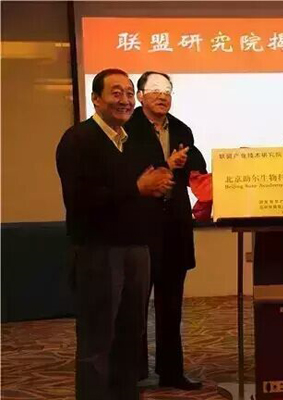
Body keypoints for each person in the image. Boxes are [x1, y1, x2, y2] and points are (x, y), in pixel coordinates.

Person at [56, 68, 174, 399]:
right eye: (116, 93)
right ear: (96, 99)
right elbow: (80, 200)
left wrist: (158, 187)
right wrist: (137, 188)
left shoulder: (132, 140)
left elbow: (143, 187)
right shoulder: (78, 139)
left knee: (130, 338)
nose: (125, 100)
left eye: (129, 93)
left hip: (136, 248)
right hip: (98, 251)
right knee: (97, 341)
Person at [124, 71, 206, 390]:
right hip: (139, 228)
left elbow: (195, 168)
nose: (162, 95)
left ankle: (171, 371)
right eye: (154, 90)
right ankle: (133, 372)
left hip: (174, 227)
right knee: (134, 304)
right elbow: (129, 173)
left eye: (167, 90)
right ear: (140, 95)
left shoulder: (182, 128)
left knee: (171, 305)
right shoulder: (126, 128)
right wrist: (166, 164)